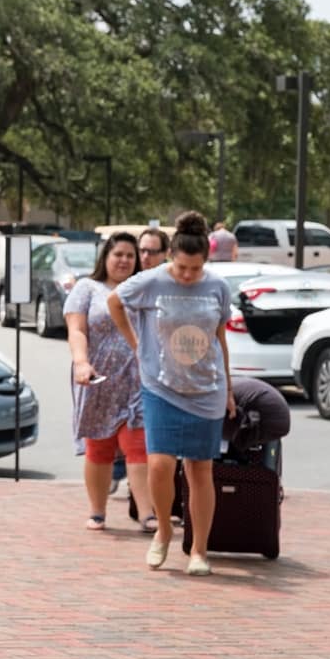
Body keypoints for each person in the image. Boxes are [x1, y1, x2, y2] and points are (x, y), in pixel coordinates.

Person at [108, 211, 236, 576]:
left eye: (194, 269)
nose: (186, 276)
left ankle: (199, 550)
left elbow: (220, 339)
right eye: (181, 267)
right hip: (161, 386)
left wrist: (227, 387)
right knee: (161, 464)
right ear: (172, 259)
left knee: (200, 469)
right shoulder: (151, 282)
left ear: (205, 263)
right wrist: (136, 345)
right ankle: (163, 530)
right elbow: (115, 302)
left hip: (206, 389)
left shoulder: (217, 288)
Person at [65, 233, 156, 532]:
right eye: (118, 254)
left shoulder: (144, 289)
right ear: (105, 256)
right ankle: (97, 511)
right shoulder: (87, 289)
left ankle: (146, 513)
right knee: (99, 447)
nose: (124, 260)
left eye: (130, 255)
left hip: (137, 381)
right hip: (99, 380)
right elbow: (77, 330)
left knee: (138, 443)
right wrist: (81, 362)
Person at [108, 227, 171, 494]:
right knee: (125, 428)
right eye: (141, 250)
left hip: (158, 374)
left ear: (165, 254)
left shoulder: (165, 282)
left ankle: (147, 498)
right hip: (123, 372)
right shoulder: (135, 284)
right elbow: (112, 303)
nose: (144, 256)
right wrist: (136, 346)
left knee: (146, 433)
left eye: (151, 251)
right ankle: (120, 475)